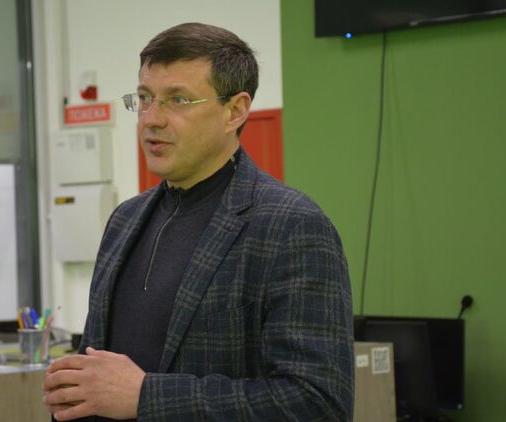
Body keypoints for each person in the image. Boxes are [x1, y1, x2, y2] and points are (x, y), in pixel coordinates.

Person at [42, 22, 354, 421]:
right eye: (144, 98)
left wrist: (146, 395)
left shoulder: (292, 227)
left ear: (235, 110)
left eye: (178, 100)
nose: (151, 119)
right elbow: (96, 380)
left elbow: (318, 404)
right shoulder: (124, 221)